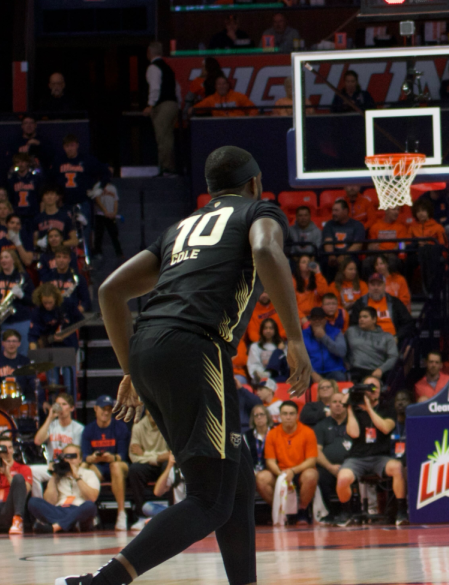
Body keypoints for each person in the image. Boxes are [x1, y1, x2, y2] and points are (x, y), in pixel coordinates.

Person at [57, 146, 312, 585]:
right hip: (195, 347)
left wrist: (130, 373)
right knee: (209, 498)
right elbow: (269, 253)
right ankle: (102, 582)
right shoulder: (257, 210)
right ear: (254, 183)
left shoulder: (180, 229)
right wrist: (293, 338)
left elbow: (111, 292)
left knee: (235, 476)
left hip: (148, 346)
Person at [333, 377, 407, 526]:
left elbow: (385, 427)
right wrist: (349, 407)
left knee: (397, 467)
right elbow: (353, 433)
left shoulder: (387, 408)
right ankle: (346, 513)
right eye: (369, 388)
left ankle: (401, 511)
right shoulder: (355, 409)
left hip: (380, 457)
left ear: (380, 391)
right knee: (342, 478)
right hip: (357, 458)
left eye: (376, 388)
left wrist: (369, 409)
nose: (373, 391)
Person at [256, 401, 318, 525]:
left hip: (300, 471)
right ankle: (280, 509)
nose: (288, 417)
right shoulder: (272, 434)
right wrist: (282, 474)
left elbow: (311, 460)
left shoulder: (308, 432)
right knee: (261, 478)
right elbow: (270, 461)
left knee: (311, 475)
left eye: (291, 414)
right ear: (280, 416)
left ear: (297, 415)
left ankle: (302, 511)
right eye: (285, 414)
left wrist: (293, 471)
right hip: (280, 472)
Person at [81, 394, 132, 530]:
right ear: (96, 409)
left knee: (115, 466)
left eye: (109, 409)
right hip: (98, 467)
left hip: (118, 466)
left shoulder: (120, 427)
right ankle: (91, 512)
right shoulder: (89, 430)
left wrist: (112, 457)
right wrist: (92, 458)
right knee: (86, 468)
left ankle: (121, 513)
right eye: (103, 408)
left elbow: (123, 456)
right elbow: (85, 457)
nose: (106, 412)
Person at [28, 444, 99, 533]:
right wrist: (53, 476)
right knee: (33, 502)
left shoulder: (89, 474)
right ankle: (68, 525)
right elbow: (50, 501)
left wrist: (77, 477)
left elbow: (92, 497)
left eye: (73, 457)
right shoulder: (58, 474)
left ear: (80, 459)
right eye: (66, 457)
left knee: (90, 506)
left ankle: (56, 527)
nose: (69, 460)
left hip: (79, 510)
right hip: (60, 509)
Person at [32, 392, 83, 497]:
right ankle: (39, 504)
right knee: (31, 471)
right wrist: (50, 418)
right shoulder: (52, 425)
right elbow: (37, 441)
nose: (61, 407)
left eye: (64, 404)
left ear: (72, 408)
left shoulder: (79, 428)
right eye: (58, 404)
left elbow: (77, 453)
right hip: (52, 466)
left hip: (70, 467)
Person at [126, 411, 171, 531]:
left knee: (170, 465)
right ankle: (141, 516)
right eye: (150, 409)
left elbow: (171, 455)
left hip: (163, 464)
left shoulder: (167, 425)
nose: (152, 412)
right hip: (147, 465)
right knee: (134, 469)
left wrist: (145, 454)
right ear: (146, 411)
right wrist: (158, 457)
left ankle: (173, 511)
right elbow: (134, 457)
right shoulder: (138, 427)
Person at [143, 41, 182, 177]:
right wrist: (178, 104)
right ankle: (169, 167)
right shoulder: (168, 68)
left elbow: (155, 88)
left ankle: (166, 169)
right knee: (168, 137)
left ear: (149, 52)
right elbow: (177, 88)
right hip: (172, 105)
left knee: (163, 138)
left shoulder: (153, 68)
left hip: (163, 106)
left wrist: (150, 105)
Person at [313, 391, 350, 522]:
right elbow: (316, 451)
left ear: (346, 405)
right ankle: (329, 513)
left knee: (350, 475)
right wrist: (330, 467)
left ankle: (349, 511)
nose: (338, 405)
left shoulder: (353, 423)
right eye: (334, 402)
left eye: (341, 402)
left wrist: (345, 467)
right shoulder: (321, 425)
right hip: (328, 467)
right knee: (321, 475)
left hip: (351, 466)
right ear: (329, 405)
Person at [0, 436, 29, 534]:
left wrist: (7, 474)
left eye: (10, 447)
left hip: (9, 509)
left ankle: (17, 520)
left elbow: (25, 492)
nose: (7, 451)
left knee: (18, 478)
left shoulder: (23, 468)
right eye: (4, 448)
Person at [303, 307, 348, 382]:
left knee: (340, 378)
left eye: (320, 319)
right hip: (311, 371)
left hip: (334, 370)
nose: (317, 322)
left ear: (325, 320)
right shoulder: (303, 335)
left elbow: (342, 352)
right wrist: (312, 373)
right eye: (314, 319)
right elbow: (300, 358)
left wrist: (324, 337)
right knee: (302, 381)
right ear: (310, 321)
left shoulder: (336, 332)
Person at [0, 329, 34, 399]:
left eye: (14, 341)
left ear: (19, 343)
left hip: (21, 401)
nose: (11, 344)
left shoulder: (25, 361)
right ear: (2, 343)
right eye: (8, 341)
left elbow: (32, 384)